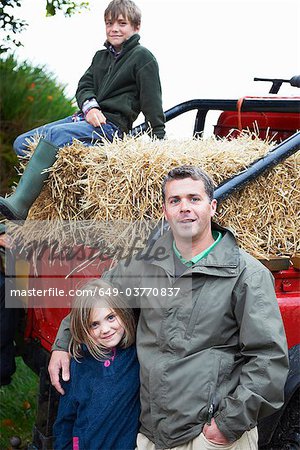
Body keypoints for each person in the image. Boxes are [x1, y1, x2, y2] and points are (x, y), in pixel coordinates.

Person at [49, 165, 289, 449]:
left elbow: (267, 359)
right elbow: (98, 297)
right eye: (175, 200)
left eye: (194, 199)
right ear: (165, 211)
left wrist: (226, 426)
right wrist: (62, 344)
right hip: (152, 435)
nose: (184, 208)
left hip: (212, 438)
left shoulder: (246, 274)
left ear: (212, 207)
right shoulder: (145, 264)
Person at [0, 0, 165, 222]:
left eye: (122, 23)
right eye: (109, 23)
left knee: (55, 136)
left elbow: (152, 100)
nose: (114, 28)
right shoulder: (100, 57)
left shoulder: (143, 58)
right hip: (84, 119)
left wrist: (159, 137)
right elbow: (84, 86)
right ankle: (47, 184)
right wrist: (90, 106)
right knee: (23, 142)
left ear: (136, 27)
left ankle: (19, 205)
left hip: (110, 127)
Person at [53, 278, 140, 450]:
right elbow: (65, 420)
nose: (106, 329)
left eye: (110, 317)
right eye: (94, 324)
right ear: (83, 328)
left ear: (123, 313)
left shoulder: (134, 355)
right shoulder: (78, 365)